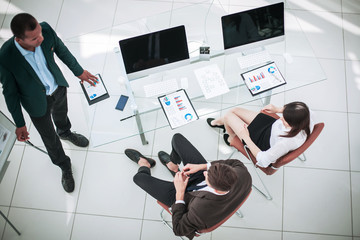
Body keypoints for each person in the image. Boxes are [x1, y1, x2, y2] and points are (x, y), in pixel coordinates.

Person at [0, 13, 98, 193]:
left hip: (58, 87)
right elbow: (10, 94)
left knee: (61, 114)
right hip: (35, 102)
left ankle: (65, 132)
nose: (41, 38)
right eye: (35, 38)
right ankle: (64, 165)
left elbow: (62, 50)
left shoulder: (44, 29)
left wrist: (79, 72)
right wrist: (20, 123)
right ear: (19, 39)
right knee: (49, 138)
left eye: (40, 33)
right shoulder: (5, 58)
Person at [125, 133, 252, 240]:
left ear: (214, 188)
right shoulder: (242, 173)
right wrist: (203, 166)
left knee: (139, 179)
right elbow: (235, 162)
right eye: (209, 170)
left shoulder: (200, 210)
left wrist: (179, 194)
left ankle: (144, 163)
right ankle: (173, 166)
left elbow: (179, 229)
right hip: (202, 187)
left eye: (207, 175)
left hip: (185, 199)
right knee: (177, 139)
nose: (205, 173)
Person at [207, 102, 314, 168]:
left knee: (228, 116)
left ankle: (230, 138)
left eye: (285, 119)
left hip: (263, 142)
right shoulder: (306, 117)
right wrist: (278, 109)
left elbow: (263, 161)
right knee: (234, 110)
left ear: (293, 125)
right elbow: (304, 109)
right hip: (271, 127)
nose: (281, 118)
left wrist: (245, 137)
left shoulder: (286, 143)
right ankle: (224, 125)